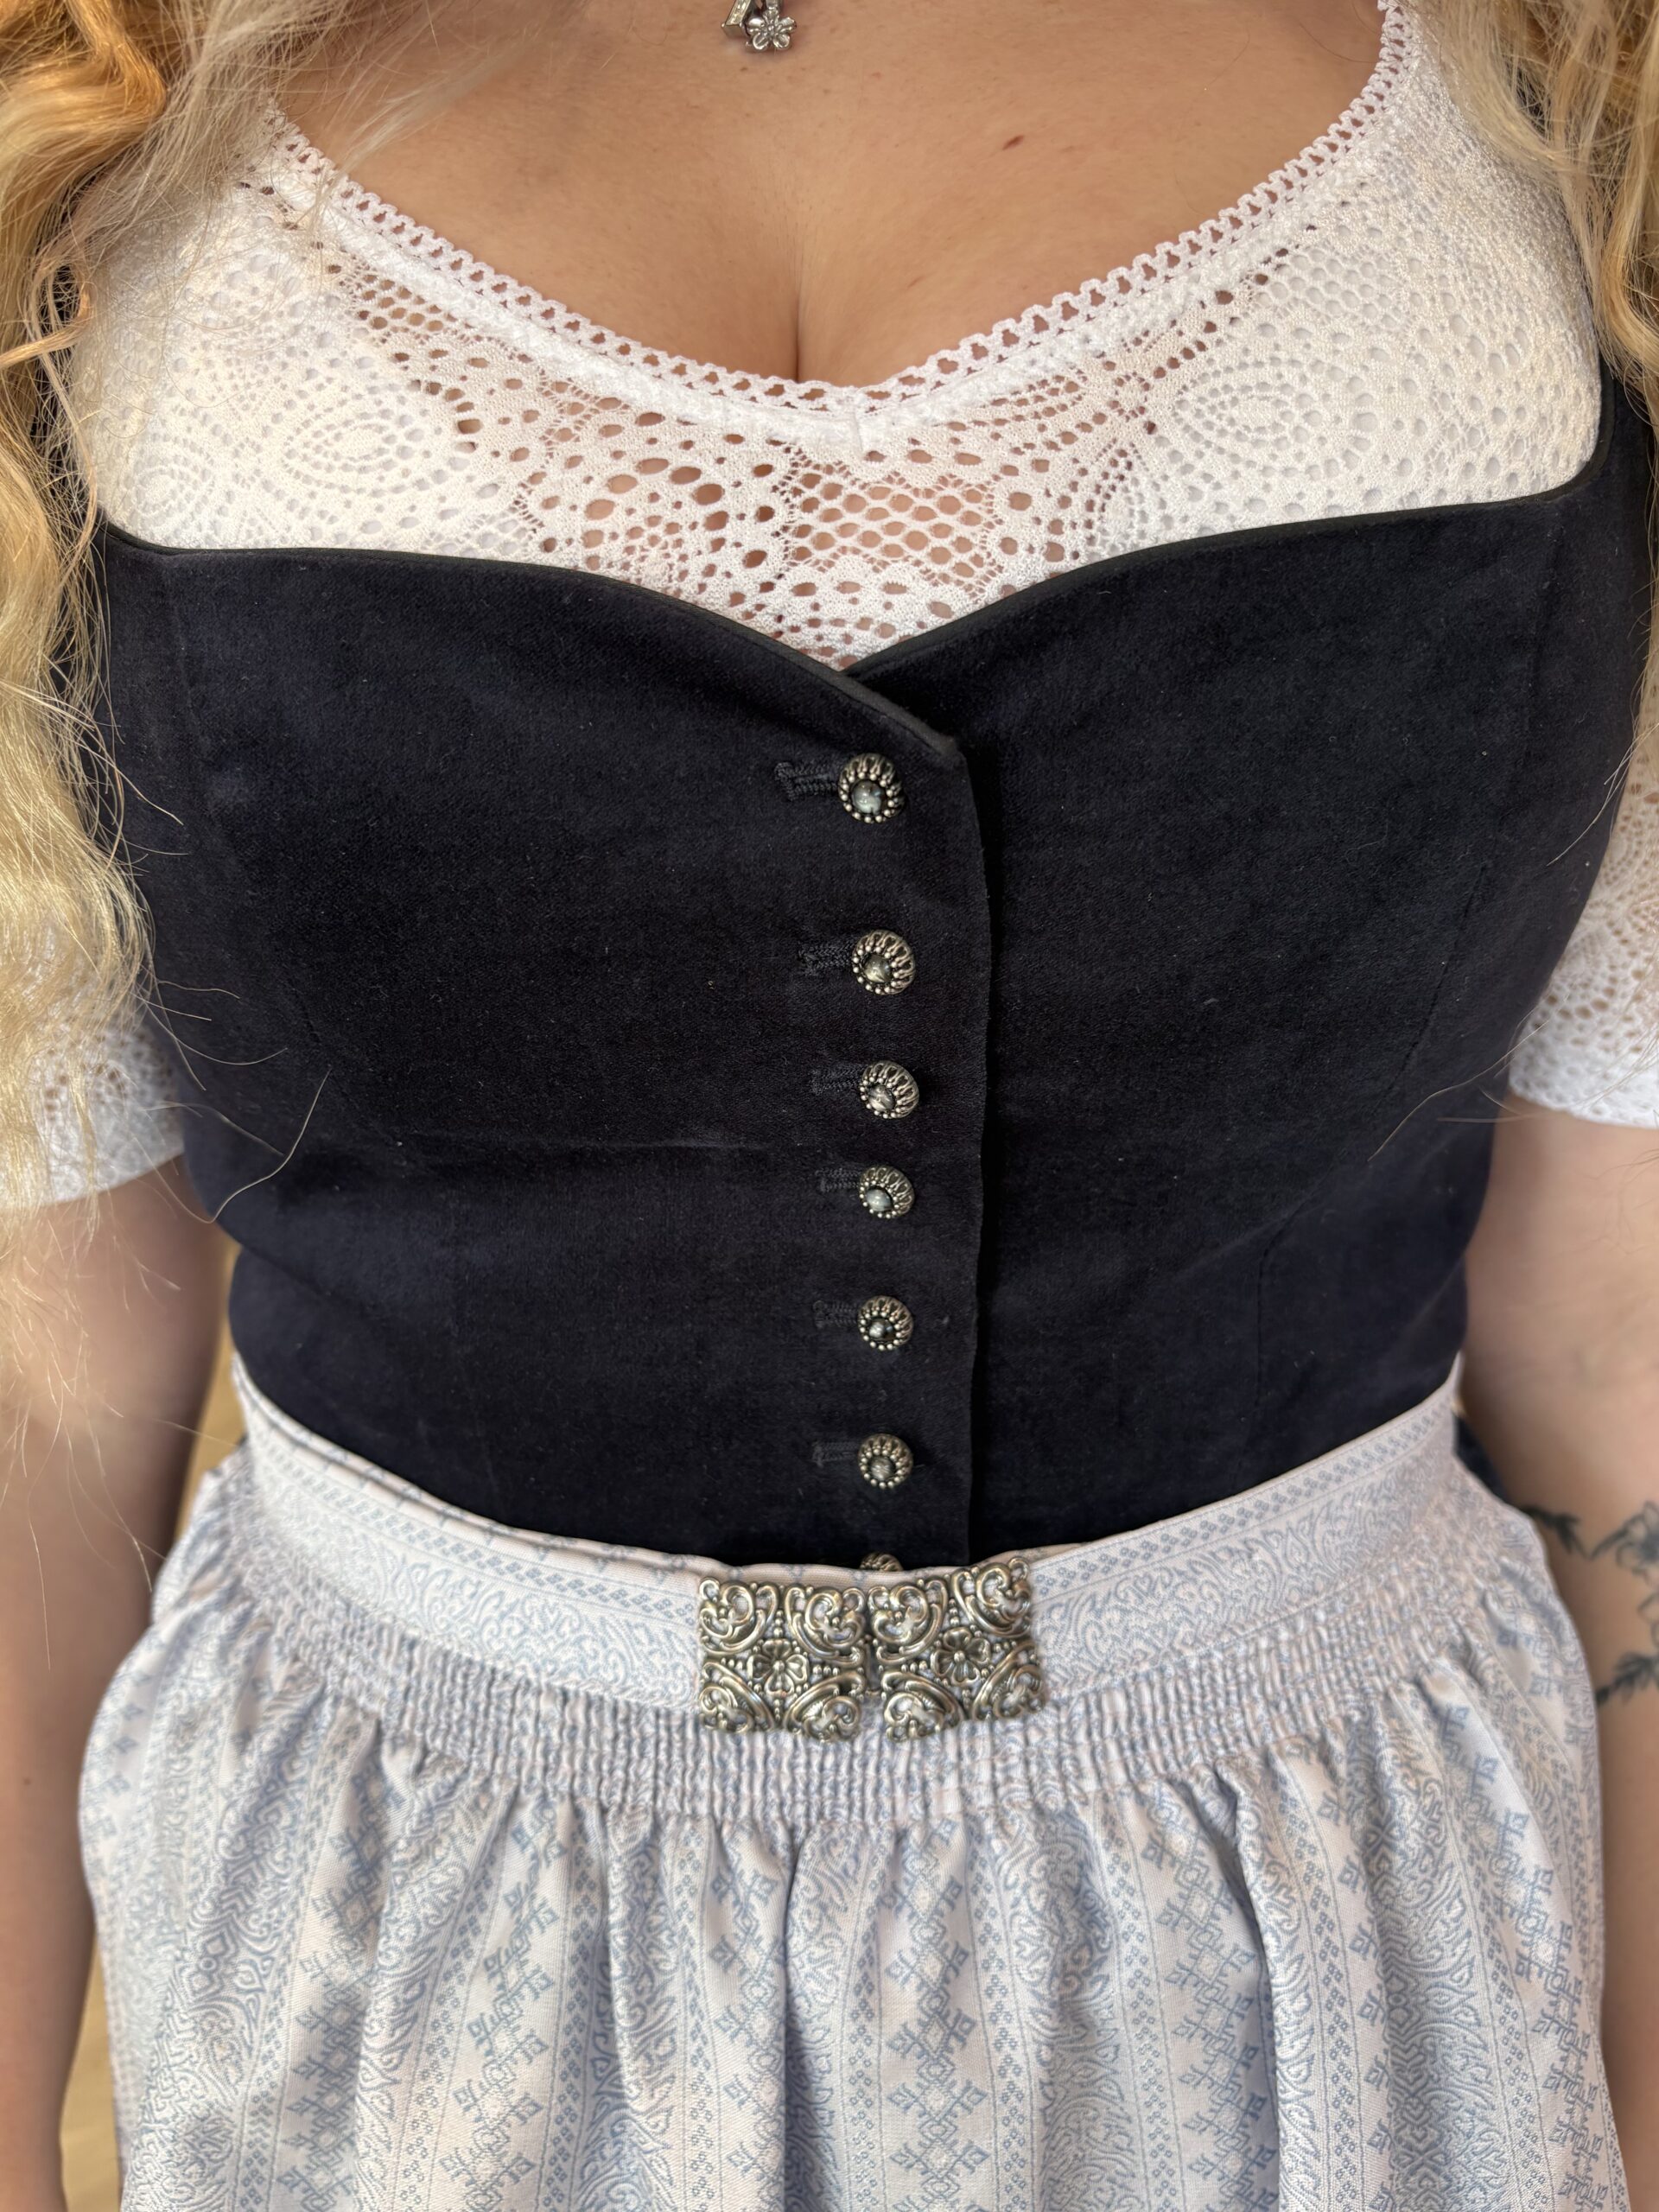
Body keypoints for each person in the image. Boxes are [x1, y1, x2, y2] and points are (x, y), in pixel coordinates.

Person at [1, 0, 1656, 2202]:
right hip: (418, 1978)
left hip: (1327, 1944)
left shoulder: (1571, 85)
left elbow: (1609, 1340)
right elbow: (53, 1379)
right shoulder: (81, 114)